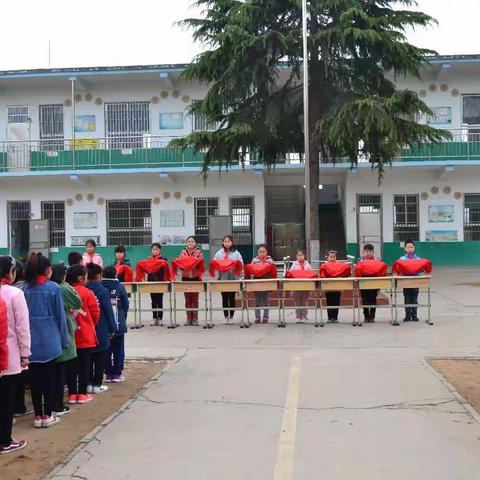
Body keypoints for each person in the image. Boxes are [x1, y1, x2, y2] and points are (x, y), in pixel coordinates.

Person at [23, 253, 68, 429]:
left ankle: (38, 416)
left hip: (31, 343)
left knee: (35, 382)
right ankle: (48, 415)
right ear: (46, 270)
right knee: (49, 380)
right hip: (51, 342)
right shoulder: (54, 288)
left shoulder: (24, 289)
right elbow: (61, 317)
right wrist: (64, 341)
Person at [0, 259, 30, 454]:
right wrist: (26, 353)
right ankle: (5, 441)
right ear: (11, 272)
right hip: (9, 356)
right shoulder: (15, 294)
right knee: (6, 401)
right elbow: (22, 327)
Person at [50, 264, 82, 416]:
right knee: (61, 369)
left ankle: (52, 403)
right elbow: (77, 303)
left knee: (52, 370)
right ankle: (58, 404)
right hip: (63, 328)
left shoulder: (47, 287)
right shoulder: (63, 288)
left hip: (49, 331)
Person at [66, 265, 99, 405]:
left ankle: (72, 394)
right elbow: (96, 313)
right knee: (85, 366)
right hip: (84, 334)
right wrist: (90, 324)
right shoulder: (87, 293)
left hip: (70, 335)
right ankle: (83, 394)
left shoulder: (65, 291)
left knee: (71, 366)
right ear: (81, 277)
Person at [86, 264, 116, 393]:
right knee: (100, 359)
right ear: (99, 275)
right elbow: (109, 311)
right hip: (101, 329)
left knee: (87, 360)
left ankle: (88, 384)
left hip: (87, 330)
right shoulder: (103, 291)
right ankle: (97, 385)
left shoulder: (84, 289)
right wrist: (112, 328)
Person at [102, 267, 129, 382]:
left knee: (106, 349)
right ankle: (117, 374)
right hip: (118, 323)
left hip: (104, 324)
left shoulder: (100, 287)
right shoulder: (119, 286)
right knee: (118, 349)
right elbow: (125, 303)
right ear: (116, 274)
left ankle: (108, 373)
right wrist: (123, 317)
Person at [135, 243, 169, 326]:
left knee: (159, 300)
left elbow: (166, 271)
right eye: (153, 249)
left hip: (160, 282)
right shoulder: (148, 260)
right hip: (151, 282)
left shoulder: (164, 260)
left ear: (160, 250)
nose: (155, 251)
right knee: (153, 301)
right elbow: (146, 270)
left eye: (156, 249)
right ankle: (154, 318)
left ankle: (160, 318)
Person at [212, 235, 243, 321]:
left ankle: (232, 316)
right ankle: (226, 316)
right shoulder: (219, 253)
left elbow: (241, 263)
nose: (227, 243)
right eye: (225, 241)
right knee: (224, 297)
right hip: (223, 278)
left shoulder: (236, 253)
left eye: (228, 241)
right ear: (223, 243)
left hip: (232, 278)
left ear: (232, 242)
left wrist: (234, 267)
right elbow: (214, 263)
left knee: (232, 297)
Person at [175, 236, 204, 326]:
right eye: (189, 241)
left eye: (192, 241)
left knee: (195, 299)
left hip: (196, 278)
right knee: (187, 299)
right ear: (186, 243)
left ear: (196, 243)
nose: (190, 243)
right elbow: (180, 264)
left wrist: (193, 263)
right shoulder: (183, 252)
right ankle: (188, 318)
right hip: (185, 278)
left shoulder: (199, 252)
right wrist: (185, 264)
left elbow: (201, 263)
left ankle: (195, 318)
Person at [319, 250, 351, 323]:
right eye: (331, 257)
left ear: (336, 257)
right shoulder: (324, 265)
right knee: (329, 301)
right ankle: (330, 317)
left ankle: (335, 317)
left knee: (336, 301)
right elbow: (322, 275)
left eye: (334, 257)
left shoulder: (339, 264)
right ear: (328, 258)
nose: (332, 258)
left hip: (337, 286)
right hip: (328, 286)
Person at [251, 245, 275, 324]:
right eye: (260, 252)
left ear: (266, 252)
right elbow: (251, 270)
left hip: (266, 283)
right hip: (257, 283)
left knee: (266, 301)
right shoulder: (254, 260)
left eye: (263, 252)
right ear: (258, 253)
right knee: (257, 302)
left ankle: (265, 317)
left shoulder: (270, 261)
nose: (262, 253)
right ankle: (257, 317)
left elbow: (273, 271)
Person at [357, 244, 381, 323]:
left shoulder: (377, 260)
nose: (368, 253)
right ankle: (366, 316)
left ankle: (372, 316)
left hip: (374, 283)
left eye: (370, 251)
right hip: (363, 283)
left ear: (373, 252)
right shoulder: (360, 261)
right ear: (363, 252)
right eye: (367, 251)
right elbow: (358, 272)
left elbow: (380, 271)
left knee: (373, 299)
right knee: (365, 300)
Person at [289, 249, 313, 322]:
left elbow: (310, 273)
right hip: (296, 286)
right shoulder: (294, 264)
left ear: (304, 256)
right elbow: (290, 273)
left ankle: (304, 316)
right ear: (296, 256)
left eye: (301, 255)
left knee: (304, 302)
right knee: (297, 302)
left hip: (305, 285)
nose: (300, 257)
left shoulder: (307, 264)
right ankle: (298, 316)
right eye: (298, 255)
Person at [399, 240, 420, 322]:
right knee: (407, 299)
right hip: (406, 282)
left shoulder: (418, 259)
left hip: (415, 281)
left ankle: (414, 315)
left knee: (414, 299)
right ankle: (407, 315)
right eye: (408, 247)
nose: (410, 249)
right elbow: (399, 269)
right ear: (405, 248)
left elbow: (421, 269)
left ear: (414, 248)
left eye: (411, 247)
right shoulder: (402, 259)